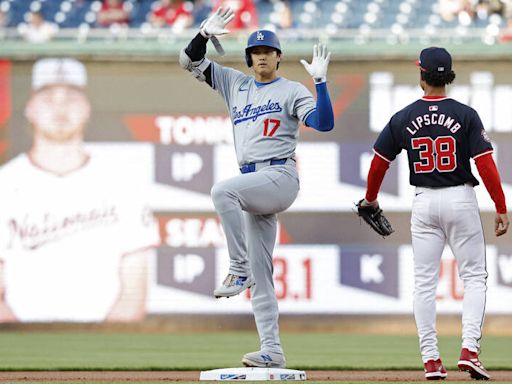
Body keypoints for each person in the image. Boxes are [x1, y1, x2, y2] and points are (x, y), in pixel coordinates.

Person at [179, 7, 334, 368]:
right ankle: (272, 350)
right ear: (249, 58)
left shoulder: (292, 89)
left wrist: (322, 84)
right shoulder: (236, 83)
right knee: (263, 275)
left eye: (268, 51)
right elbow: (187, 62)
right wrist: (202, 35)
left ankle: (237, 265)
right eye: (255, 52)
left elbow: (324, 123)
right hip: (254, 182)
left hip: (280, 177)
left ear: (278, 57)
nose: (261, 56)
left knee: (222, 191)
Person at [359, 47, 509, 380]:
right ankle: (469, 350)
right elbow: (485, 163)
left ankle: (431, 359)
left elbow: (380, 162)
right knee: (474, 277)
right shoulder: (466, 114)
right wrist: (500, 206)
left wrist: (370, 198)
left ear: (421, 75)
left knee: (424, 284)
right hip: (460, 198)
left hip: (424, 201)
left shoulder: (403, 116)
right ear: (449, 76)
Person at [0, 58, 159, 323]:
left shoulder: (122, 182)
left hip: (108, 345)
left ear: (87, 108)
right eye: (48, 98)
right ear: (29, 108)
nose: (60, 109)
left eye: (71, 98)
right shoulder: (5, 183)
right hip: (20, 343)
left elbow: (134, 291)